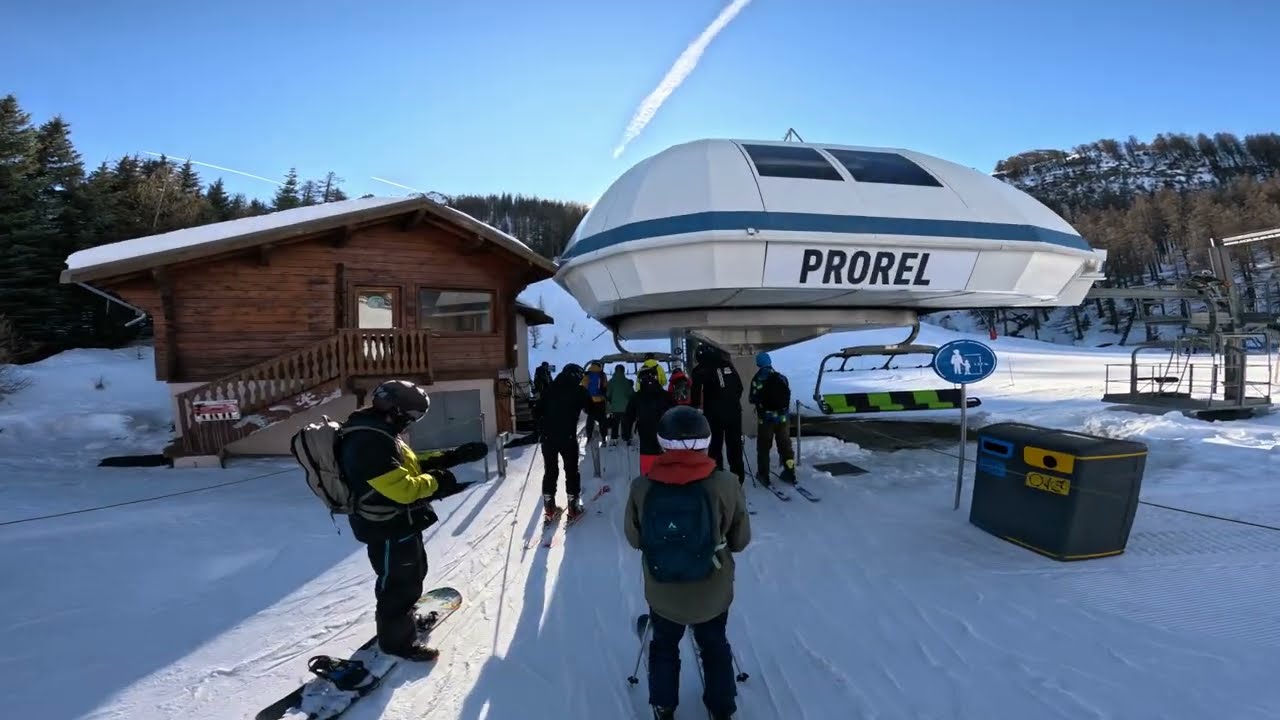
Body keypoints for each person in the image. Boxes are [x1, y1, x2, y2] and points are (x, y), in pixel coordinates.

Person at [624, 406, 752, 720]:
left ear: (662, 443)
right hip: (712, 589)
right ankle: (722, 706)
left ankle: (664, 706)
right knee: (714, 643)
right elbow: (740, 540)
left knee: (665, 645)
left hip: (663, 587)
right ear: (706, 441)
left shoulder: (642, 487)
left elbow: (634, 538)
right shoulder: (725, 483)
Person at [338, 379, 458, 661]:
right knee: (397, 584)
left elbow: (406, 465)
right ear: (397, 409)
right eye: (413, 416)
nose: (412, 422)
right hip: (387, 525)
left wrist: (450, 457)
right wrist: (437, 482)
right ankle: (397, 643)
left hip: (399, 523)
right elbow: (403, 489)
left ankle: (404, 618)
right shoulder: (368, 440)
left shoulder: (380, 431)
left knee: (412, 574)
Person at [540, 363, 591, 521]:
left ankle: (549, 508)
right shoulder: (579, 391)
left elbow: (536, 411)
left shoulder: (549, 388)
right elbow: (591, 409)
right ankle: (573, 508)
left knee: (550, 471)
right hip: (567, 438)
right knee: (571, 471)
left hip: (547, 438)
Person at [691, 344, 745, 483]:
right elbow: (739, 387)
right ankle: (738, 478)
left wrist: (696, 409)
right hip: (734, 412)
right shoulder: (728, 364)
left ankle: (716, 477)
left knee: (715, 446)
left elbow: (695, 394)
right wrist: (731, 401)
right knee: (735, 445)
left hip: (714, 413)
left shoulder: (700, 369)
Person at [748, 352, 796, 485]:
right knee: (785, 446)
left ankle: (764, 475)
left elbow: (752, 398)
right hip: (783, 419)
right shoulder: (781, 377)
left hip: (766, 420)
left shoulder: (758, 379)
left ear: (758, 363)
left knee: (764, 447)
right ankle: (790, 472)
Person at [627, 365, 675, 475]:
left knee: (648, 476)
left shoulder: (636, 398)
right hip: (667, 443)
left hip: (646, 442)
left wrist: (626, 434)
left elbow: (628, 417)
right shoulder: (666, 396)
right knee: (667, 475)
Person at [606, 363, 635, 446]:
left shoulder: (611, 382)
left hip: (614, 408)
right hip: (626, 408)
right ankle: (626, 439)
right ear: (623, 371)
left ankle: (614, 439)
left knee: (615, 423)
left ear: (615, 371)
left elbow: (608, 394)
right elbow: (631, 394)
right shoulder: (627, 382)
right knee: (625, 424)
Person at [580, 360, 609, 443]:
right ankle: (604, 437)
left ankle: (589, 436)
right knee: (602, 419)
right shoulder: (602, 375)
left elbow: (583, 387)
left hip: (590, 401)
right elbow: (605, 386)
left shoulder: (587, 375)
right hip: (600, 401)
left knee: (590, 419)